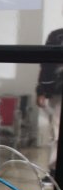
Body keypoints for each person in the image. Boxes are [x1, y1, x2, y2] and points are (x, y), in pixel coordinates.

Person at [36, 27, 63, 173]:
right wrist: (41, 90)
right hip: (58, 91)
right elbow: (46, 63)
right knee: (57, 131)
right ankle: (54, 170)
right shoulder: (57, 35)